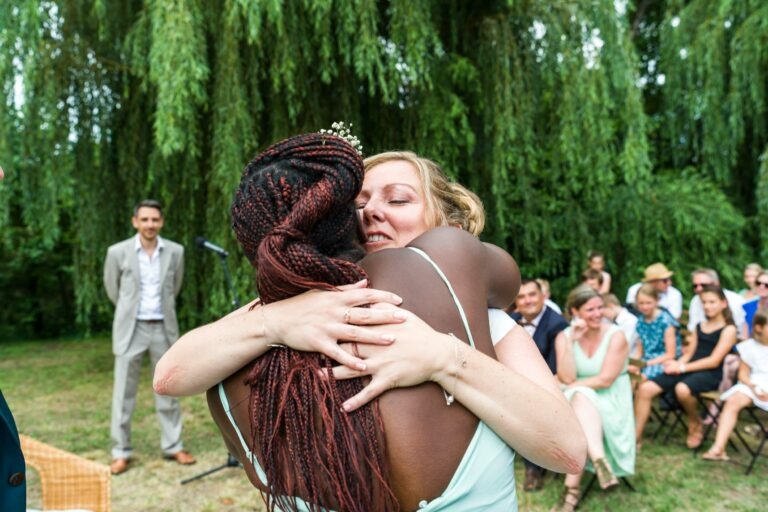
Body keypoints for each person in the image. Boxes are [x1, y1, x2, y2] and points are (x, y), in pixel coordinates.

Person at [155, 144, 586, 497]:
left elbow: (567, 451)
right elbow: (171, 374)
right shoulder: (295, 315)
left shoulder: (488, 325)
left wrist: (445, 358)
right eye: (355, 204)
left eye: (397, 199)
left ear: (450, 224)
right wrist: (273, 323)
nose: (370, 212)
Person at [103, 199, 195, 475]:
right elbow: (113, 289)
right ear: (135, 222)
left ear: (161, 222)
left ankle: (173, 445)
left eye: (154, 219)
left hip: (163, 328)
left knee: (168, 387)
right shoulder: (117, 252)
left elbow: (174, 288)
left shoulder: (176, 252)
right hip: (130, 330)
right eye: (144, 220)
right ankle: (121, 452)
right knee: (123, 393)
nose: (150, 224)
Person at [551, 285, 635, 512]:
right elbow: (567, 374)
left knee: (578, 396)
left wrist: (569, 386)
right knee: (580, 397)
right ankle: (598, 458)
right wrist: (572, 342)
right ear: (575, 312)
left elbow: (605, 380)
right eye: (591, 310)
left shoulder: (616, 336)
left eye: (601, 308)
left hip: (611, 399)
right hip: (581, 401)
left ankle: (571, 492)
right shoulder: (564, 337)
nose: (598, 314)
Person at [634, 286, 738, 449]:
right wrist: (677, 363)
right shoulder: (699, 325)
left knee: (682, 389)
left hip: (709, 373)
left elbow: (714, 361)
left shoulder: (729, 329)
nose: (707, 306)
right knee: (645, 388)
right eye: (704, 302)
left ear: (723, 304)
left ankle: (695, 422)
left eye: (712, 302)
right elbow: (690, 353)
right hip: (688, 367)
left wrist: (682, 368)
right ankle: (635, 438)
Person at [510, 278, 569, 491]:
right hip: (511, 380)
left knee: (528, 408)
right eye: (521, 296)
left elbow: (555, 370)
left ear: (543, 296)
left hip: (547, 385)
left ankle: (533, 468)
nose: (527, 301)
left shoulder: (557, 324)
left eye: (532, 295)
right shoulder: (510, 319)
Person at [702, 310, 768, 461]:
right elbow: (743, 375)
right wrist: (755, 388)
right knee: (733, 400)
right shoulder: (749, 346)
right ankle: (718, 448)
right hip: (754, 383)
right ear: (758, 328)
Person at [630, 284, 679, 380]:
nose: (645, 307)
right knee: (630, 376)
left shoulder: (666, 321)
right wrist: (634, 364)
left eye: (648, 303)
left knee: (640, 379)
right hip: (646, 361)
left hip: (663, 361)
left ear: (657, 301)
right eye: (641, 303)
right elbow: (639, 352)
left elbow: (671, 354)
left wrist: (646, 364)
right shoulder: (640, 321)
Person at [687, 268, 746, 339]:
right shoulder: (695, 300)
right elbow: (692, 327)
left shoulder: (736, 300)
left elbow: (740, 330)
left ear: (716, 283)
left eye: (704, 285)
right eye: (695, 286)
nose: (699, 289)